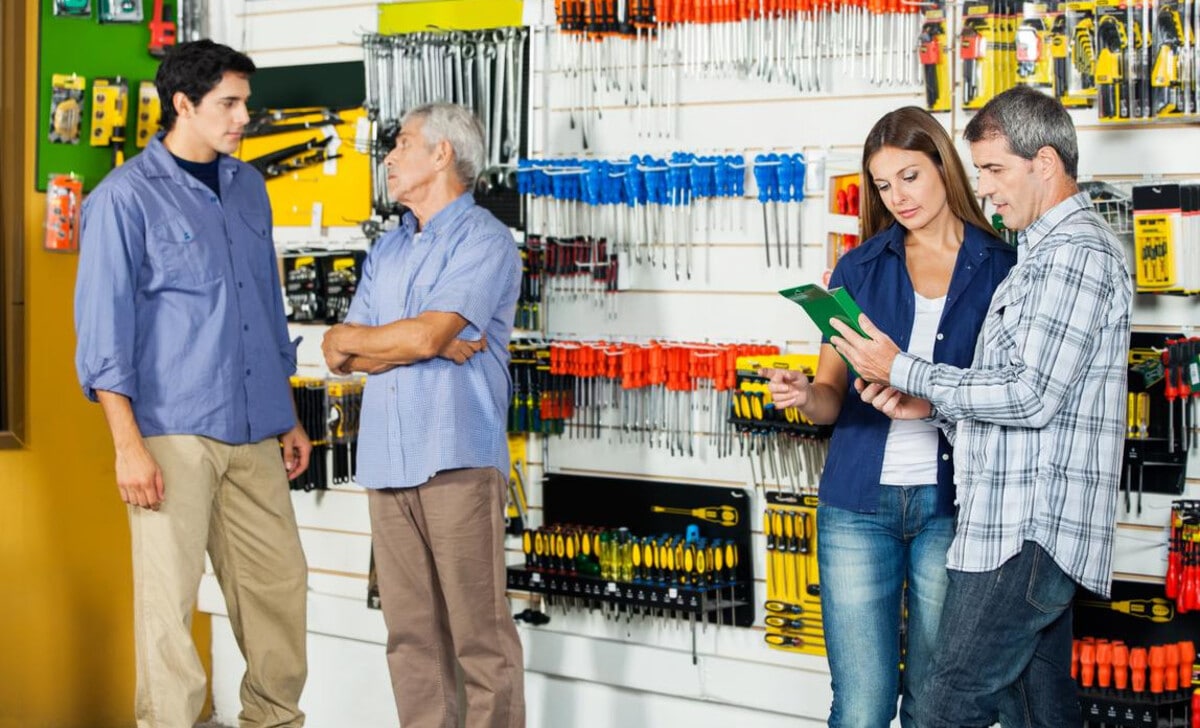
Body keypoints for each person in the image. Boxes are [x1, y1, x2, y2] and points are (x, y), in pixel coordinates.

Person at [831, 87, 1132, 727]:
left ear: (1044, 163)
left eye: (995, 169)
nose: (987, 188)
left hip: (1025, 531)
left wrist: (904, 368)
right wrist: (928, 408)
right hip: (1013, 526)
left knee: (943, 710)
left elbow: (1030, 395)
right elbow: (1015, 391)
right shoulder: (1040, 255)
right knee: (1038, 714)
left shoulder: (1073, 254)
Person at [74, 40, 310, 728]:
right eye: (229, 103)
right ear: (183, 104)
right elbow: (103, 336)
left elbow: (266, 305)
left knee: (279, 590)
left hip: (256, 426)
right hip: (171, 431)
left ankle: (274, 720)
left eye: (245, 102)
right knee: (169, 606)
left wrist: (287, 414)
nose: (244, 117)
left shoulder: (248, 187)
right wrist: (127, 446)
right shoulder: (122, 199)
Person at [763, 106, 1016, 727]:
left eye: (909, 176)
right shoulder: (859, 267)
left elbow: (1009, 392)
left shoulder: (1002, 266)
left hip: (953, 507)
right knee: (861, 706)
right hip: (856, 506)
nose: (896, 196)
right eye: (882, 185)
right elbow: (830, 398)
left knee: (937, 706)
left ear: (942, 167)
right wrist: (802, 395)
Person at [320, 102, 524, 728]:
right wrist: (400, 340)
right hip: (384, 463)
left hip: (456, 459)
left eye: (402, 143)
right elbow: (336, 351)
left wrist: (398, 340)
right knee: (411, 641)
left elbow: (423, 339)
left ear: (442, 154)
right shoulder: (387, 250)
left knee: (480, 642)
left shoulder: (486, 241)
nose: (388, 156)